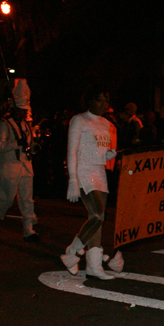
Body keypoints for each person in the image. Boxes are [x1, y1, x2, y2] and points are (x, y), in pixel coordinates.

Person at [60, 86, 123, 279]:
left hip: (99, 171)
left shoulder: (106, 123)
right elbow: (72, 150)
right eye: (101, 100)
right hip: (84, 171)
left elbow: (99, 149)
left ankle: (94, 266)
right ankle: (72, 251)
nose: (105, 104)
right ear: (90, 101)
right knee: (97, 215)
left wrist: (108, 155)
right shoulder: (79, 120)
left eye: (107, 100)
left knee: (99, 221)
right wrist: (73, 179)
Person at [0, 89, 40, 242]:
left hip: (26, 166)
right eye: (22, 111)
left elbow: (29, 144)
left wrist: (33, 146)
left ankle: (29, 229)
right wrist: (16, 144)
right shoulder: (5, 125)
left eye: (26, 111)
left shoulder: (27, 126)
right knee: (7, 198)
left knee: (27, 199)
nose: (25, 114)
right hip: (9, 166)